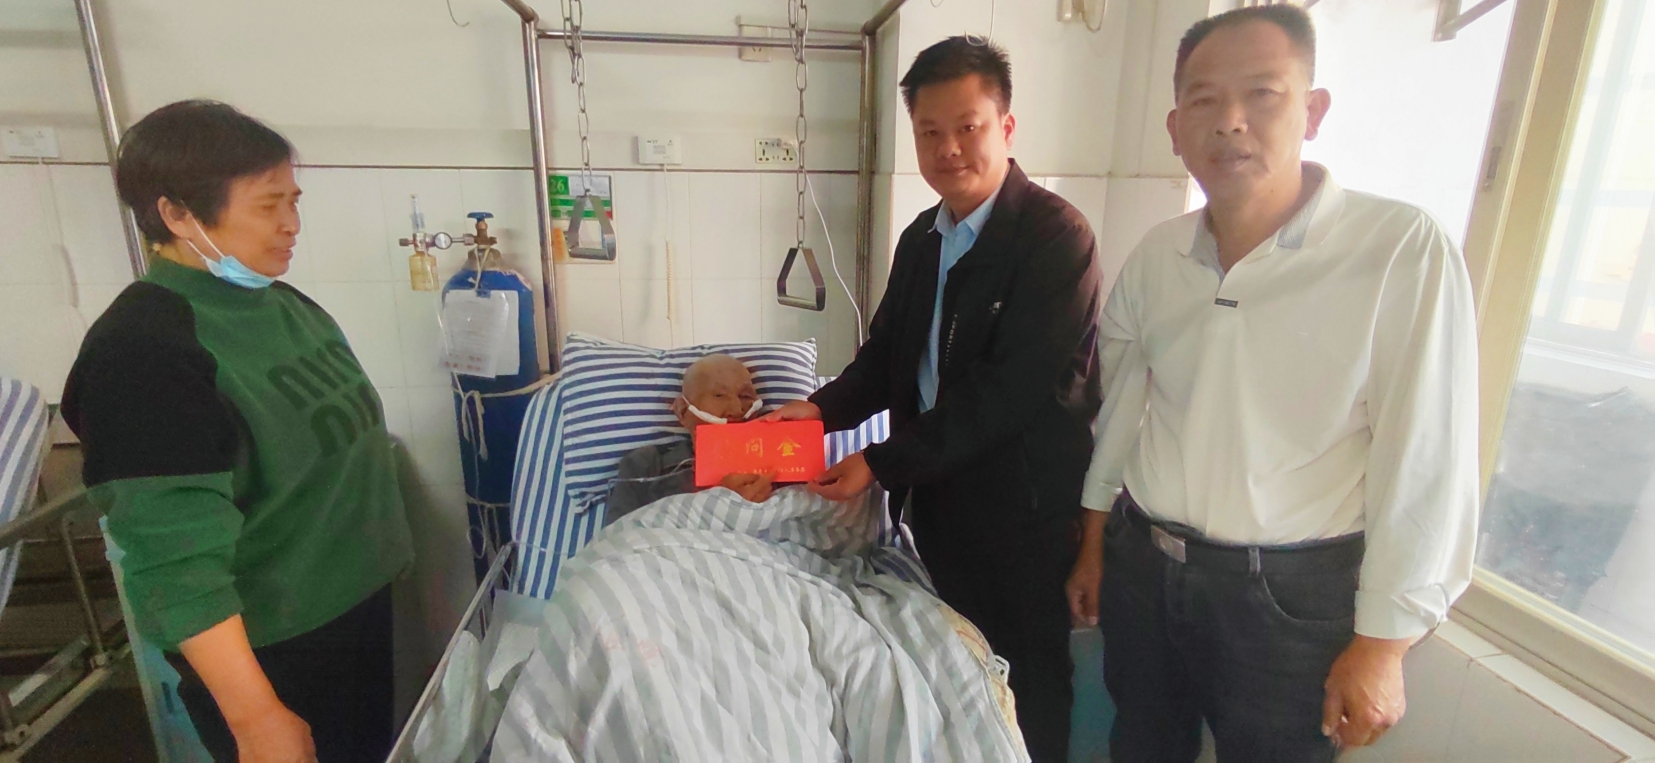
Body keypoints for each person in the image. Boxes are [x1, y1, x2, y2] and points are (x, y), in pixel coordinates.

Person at [1064, 6, 1480, 762]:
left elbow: (1425, 457)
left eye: (1262, 94)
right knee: (1141, 746)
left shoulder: (1395, 249)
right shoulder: (1158, 256)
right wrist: (1095, 542)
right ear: (1174, 127)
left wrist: (1383, 644)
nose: (1230, 121)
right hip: (1145, 569)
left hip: (1287, 599)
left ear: (1312, 111)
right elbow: (1119, 412)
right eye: (1204, 100)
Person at [764, 36, 1103, 762]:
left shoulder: (1055, 238)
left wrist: (879, 462)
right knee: (953, 678)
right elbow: (887, 354)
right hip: (939, 506)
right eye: (928, 131)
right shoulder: (923, 238)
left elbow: (1005, 394)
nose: (947, 148)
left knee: (1026, 686)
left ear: (1005, 127)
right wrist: (819, 410)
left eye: (967, 127)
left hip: (1024, 519)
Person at [60, 100, 415, 763]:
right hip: (271, 652)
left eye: (294, 201)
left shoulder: (283, 305)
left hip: (349, 619)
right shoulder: (144, 351)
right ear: (177, 215)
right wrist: (255, 716)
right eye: (267, 205)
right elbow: (174, 560)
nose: (291, 224)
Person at [606, 354, 776, 523]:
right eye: (719, 395)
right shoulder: (646, 465)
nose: (737, 409)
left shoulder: (781, 459)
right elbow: (618, 535)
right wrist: (716, 506)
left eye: (746, 396)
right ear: (682, 411)